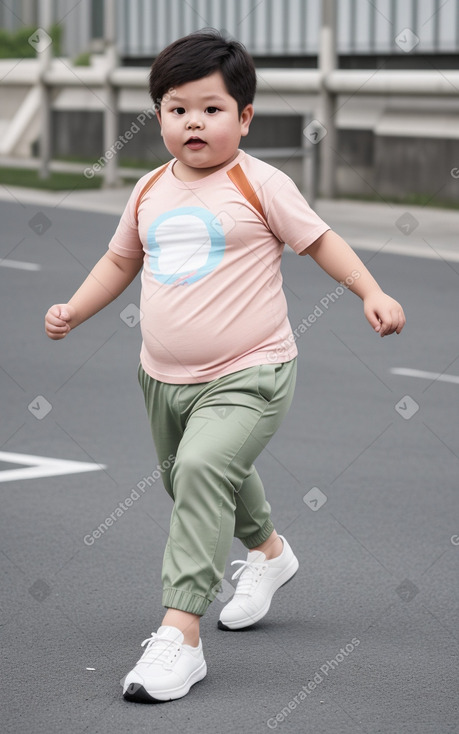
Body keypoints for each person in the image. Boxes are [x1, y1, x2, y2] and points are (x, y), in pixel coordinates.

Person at [45, 29, 405, 704]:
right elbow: (120, 261)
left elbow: (320, 242)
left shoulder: (259, 182)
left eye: (211, 109)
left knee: (204, 469)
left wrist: (370, 291)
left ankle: (179, 635)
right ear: (158, 117)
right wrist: (75, 309)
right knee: (192, 481)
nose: (193, 122)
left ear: (243, 117)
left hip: (252, 371)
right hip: (161, 378)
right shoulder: (149, 188)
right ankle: (269, 555)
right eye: (178, 109)